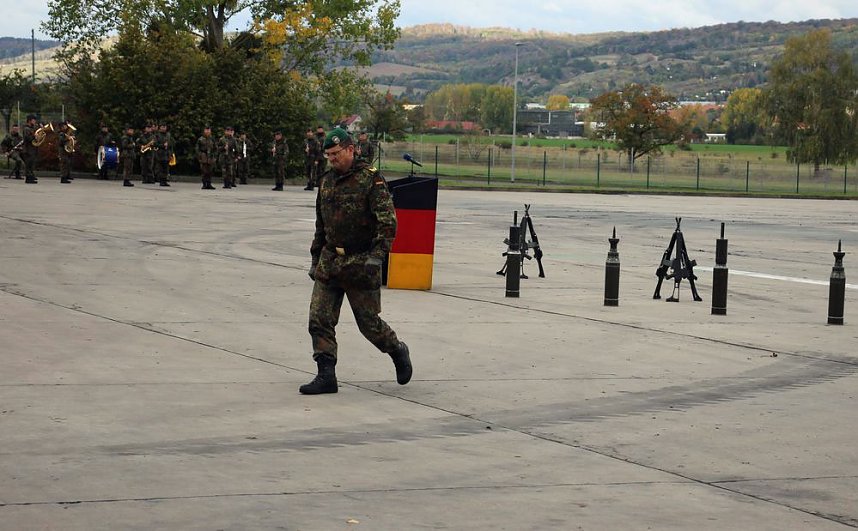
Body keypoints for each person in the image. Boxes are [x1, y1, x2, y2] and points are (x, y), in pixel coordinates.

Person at [300, 127, 412, 395]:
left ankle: (397, 350)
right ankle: (326, 375)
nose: (332, 159)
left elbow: (388, 222)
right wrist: (315, 258)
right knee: (319, 319)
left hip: (361, 261)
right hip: (330, 260)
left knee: (369, 325)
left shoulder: (370, 179)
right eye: (328, 155)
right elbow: (321, 224)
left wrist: (377, 256)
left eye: (336, 154)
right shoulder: (326, 181)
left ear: (350, 149)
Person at [21, 115, 39, 184]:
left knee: (31, 163)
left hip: (32, 148)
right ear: (29, 120)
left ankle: (31, 175)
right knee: (28, 163)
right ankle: (28, 178)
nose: (35, 121)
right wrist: (34, 136)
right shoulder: (26, 128)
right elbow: (27, 138)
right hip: (28, 149)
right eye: (33, 120)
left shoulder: (32, 128)